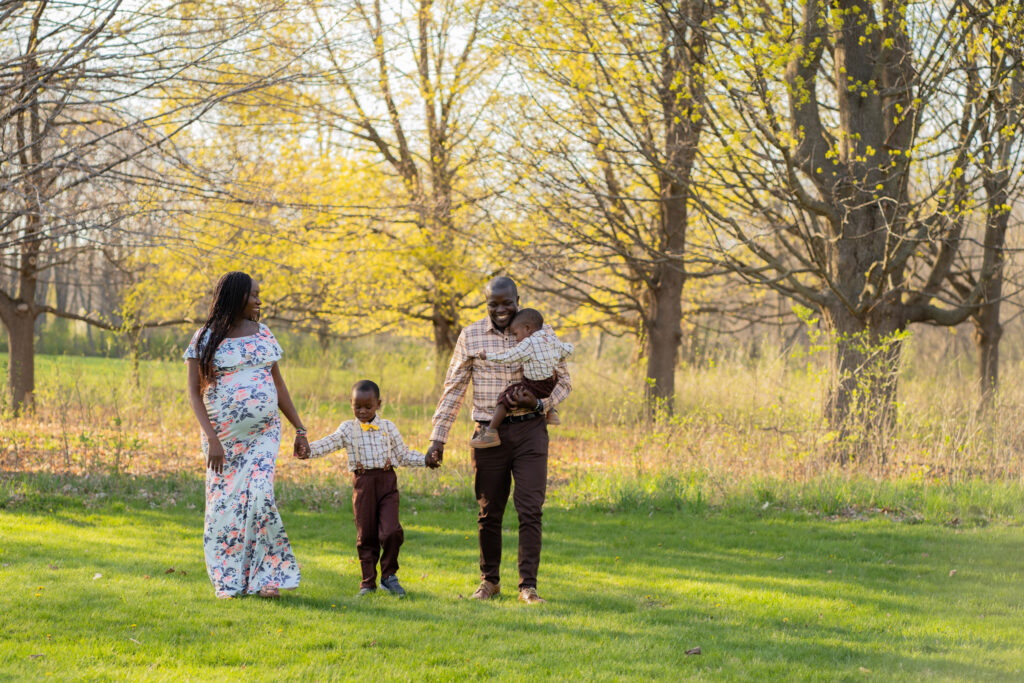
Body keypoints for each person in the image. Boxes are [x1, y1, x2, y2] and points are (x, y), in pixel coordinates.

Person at [427, 276, 571, 604]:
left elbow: (564, 381)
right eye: (494, 304)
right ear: (486, 304)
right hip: (488, 432)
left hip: (531, 429)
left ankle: (527, 587)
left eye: (508, 303)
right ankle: (489, 582)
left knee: (530, 508)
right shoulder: (471, 335)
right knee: (489, 510)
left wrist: (541, 404)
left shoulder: (541, 331)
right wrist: (439, 438)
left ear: (518, 300)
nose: (502, 310)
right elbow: (454, 387)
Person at [184, 271, 310, 599]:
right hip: (221, 440)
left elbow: (278, 385)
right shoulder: (204, 338)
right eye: (253, 294)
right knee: (224, 509)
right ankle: (230, 580)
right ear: (236, 296)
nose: (259, 300)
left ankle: (267, 578)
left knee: (260, 499)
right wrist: (212, 439)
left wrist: (300, 428)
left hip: (264, 435)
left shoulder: (263, 334)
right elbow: (195, 394)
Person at [295, 380, 440, 597]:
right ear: (351, 405)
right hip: (363, 485)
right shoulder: (347, 429)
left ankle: (389, 576)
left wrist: (426, 460)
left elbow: (403, 455)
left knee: (391, 531)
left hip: (387, 483)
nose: (362, 411)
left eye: (368, 407)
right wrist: (307, 450)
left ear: (378, 404)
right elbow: (328, 443)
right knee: (366, 535)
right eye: (357, 407)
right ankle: (368, 582)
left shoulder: (389, 428)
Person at [471, 307, 573, 449]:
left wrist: (487, 355)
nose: (516, 338)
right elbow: (567, 349)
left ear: (528, 328)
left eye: (516, 334)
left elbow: (508, 356)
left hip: (534, 386)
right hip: (551, 383)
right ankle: (551, 411)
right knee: (549, 372)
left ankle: (490, 433)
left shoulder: (528, 343)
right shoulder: (551, 338)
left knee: (504, 398)